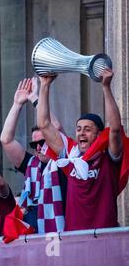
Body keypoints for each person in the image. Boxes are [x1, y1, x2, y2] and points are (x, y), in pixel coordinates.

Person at [37, 69, 126, 231]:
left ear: (98, 135)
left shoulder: (109, 158)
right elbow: (44, 124)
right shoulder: (70, 157)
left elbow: (114, 129)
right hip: (75, 240)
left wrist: (106, 87)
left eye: (87, 129)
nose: (81, 133)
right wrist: (44, 85)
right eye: (78, 129)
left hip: (106, 239)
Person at [0, 78, 66, 233]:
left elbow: (55, 127)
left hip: (60, 233)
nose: (38, 147)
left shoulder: (64, 160)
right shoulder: (31, 163)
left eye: (43, 142)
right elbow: (6, 140)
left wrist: (35, 98)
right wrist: (17, 104)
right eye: (33, 145)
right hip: (33, 235)